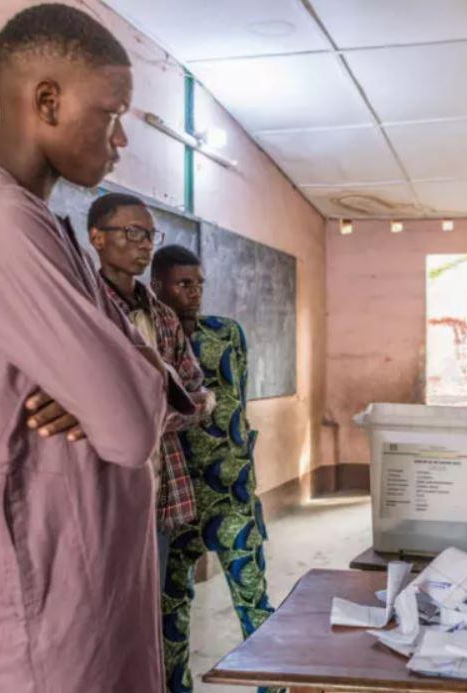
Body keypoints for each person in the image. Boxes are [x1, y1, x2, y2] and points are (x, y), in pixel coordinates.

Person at [0, 4, 194, 690]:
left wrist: (117, 375)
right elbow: (128, 426)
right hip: (39, 611)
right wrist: (118, 382)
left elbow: (151, 379)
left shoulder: (47, 229)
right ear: (46, 101)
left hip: (88, 589)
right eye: (110, 114)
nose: (118, 141)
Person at [152, 245, 280, 693]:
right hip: (174, 500)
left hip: (231, 494)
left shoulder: (227, 334)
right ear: (157, 287)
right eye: (183, 284)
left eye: (199, 283)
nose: (195, 292)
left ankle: (274, 685)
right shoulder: (147, 343)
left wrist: (241, 460)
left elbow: (237, 403)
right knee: (170, 609)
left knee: (253, 597)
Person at [88, 193, 215, 584]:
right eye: (132, 232)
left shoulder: (161, 316)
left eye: (150, 234)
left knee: (150, 599)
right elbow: (90, 402)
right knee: (100, 598)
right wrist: (170, 407)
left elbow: (196, 392)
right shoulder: (82, 308)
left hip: (159, 485)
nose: (145, 243)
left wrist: (147, 413)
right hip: (98, 482)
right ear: (97, 238)